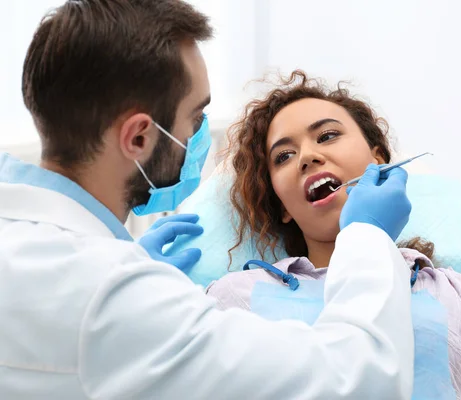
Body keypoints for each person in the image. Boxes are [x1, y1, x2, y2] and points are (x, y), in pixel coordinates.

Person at [0, 1, 417, 399]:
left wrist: (123, 261)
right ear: (140, 138)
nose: (309, 156)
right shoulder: (120, 297)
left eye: (327, 135)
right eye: (196, 118)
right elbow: (360, 380)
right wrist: (366, 236)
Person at [205, 70, 461, 399]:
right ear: (283, 208)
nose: (307, 157)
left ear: (378, 161)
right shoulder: (232, 303)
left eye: (328, 136)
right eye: (284, 156)